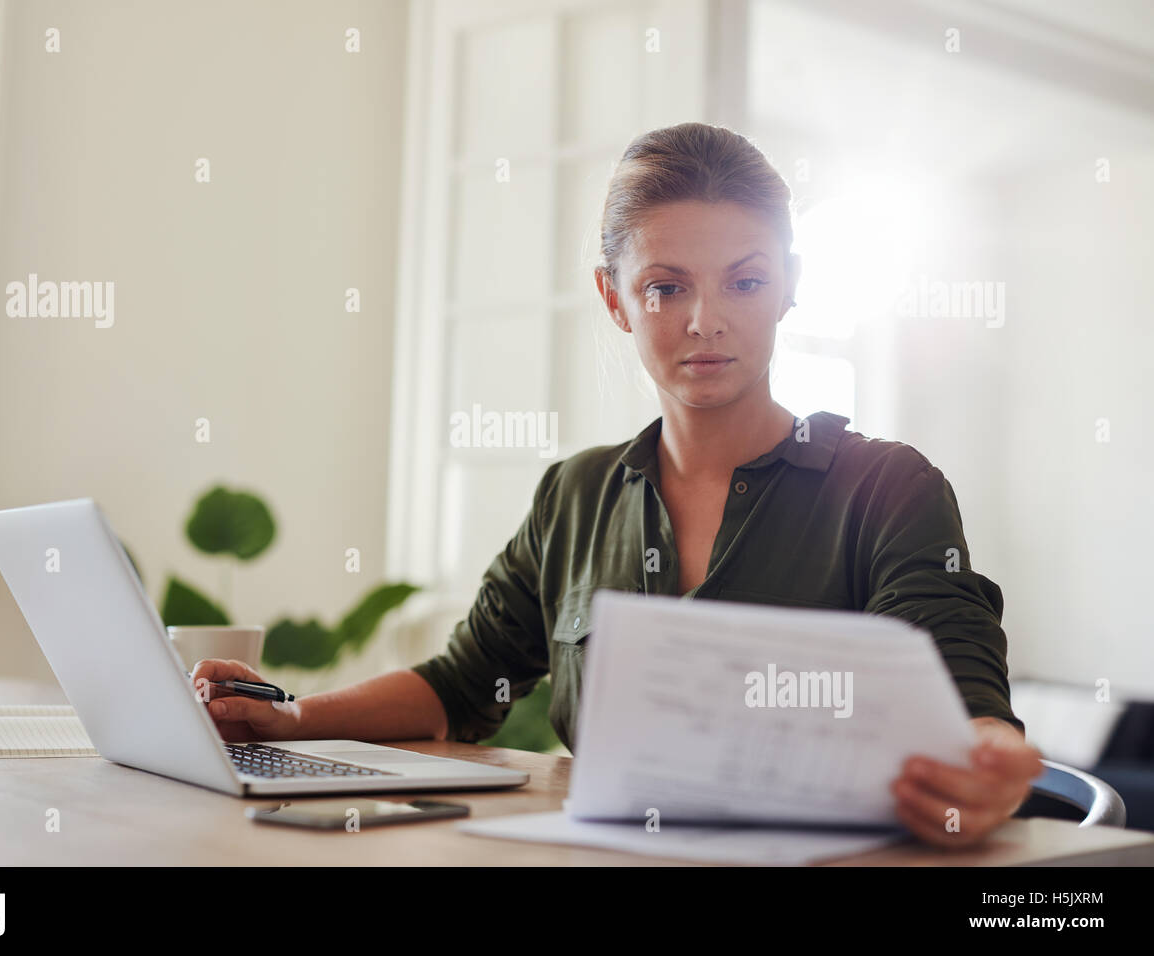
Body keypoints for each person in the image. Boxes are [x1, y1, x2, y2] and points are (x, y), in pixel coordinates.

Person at [192, 122, 1042, 849]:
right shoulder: (575, 494)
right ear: (614, 299)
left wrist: (989, 758)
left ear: (790, 285)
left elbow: (965, 691)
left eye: (744, 280)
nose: (704, 320)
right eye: (666, 287)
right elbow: (461, 688)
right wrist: (293, 720)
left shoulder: (888, 487)